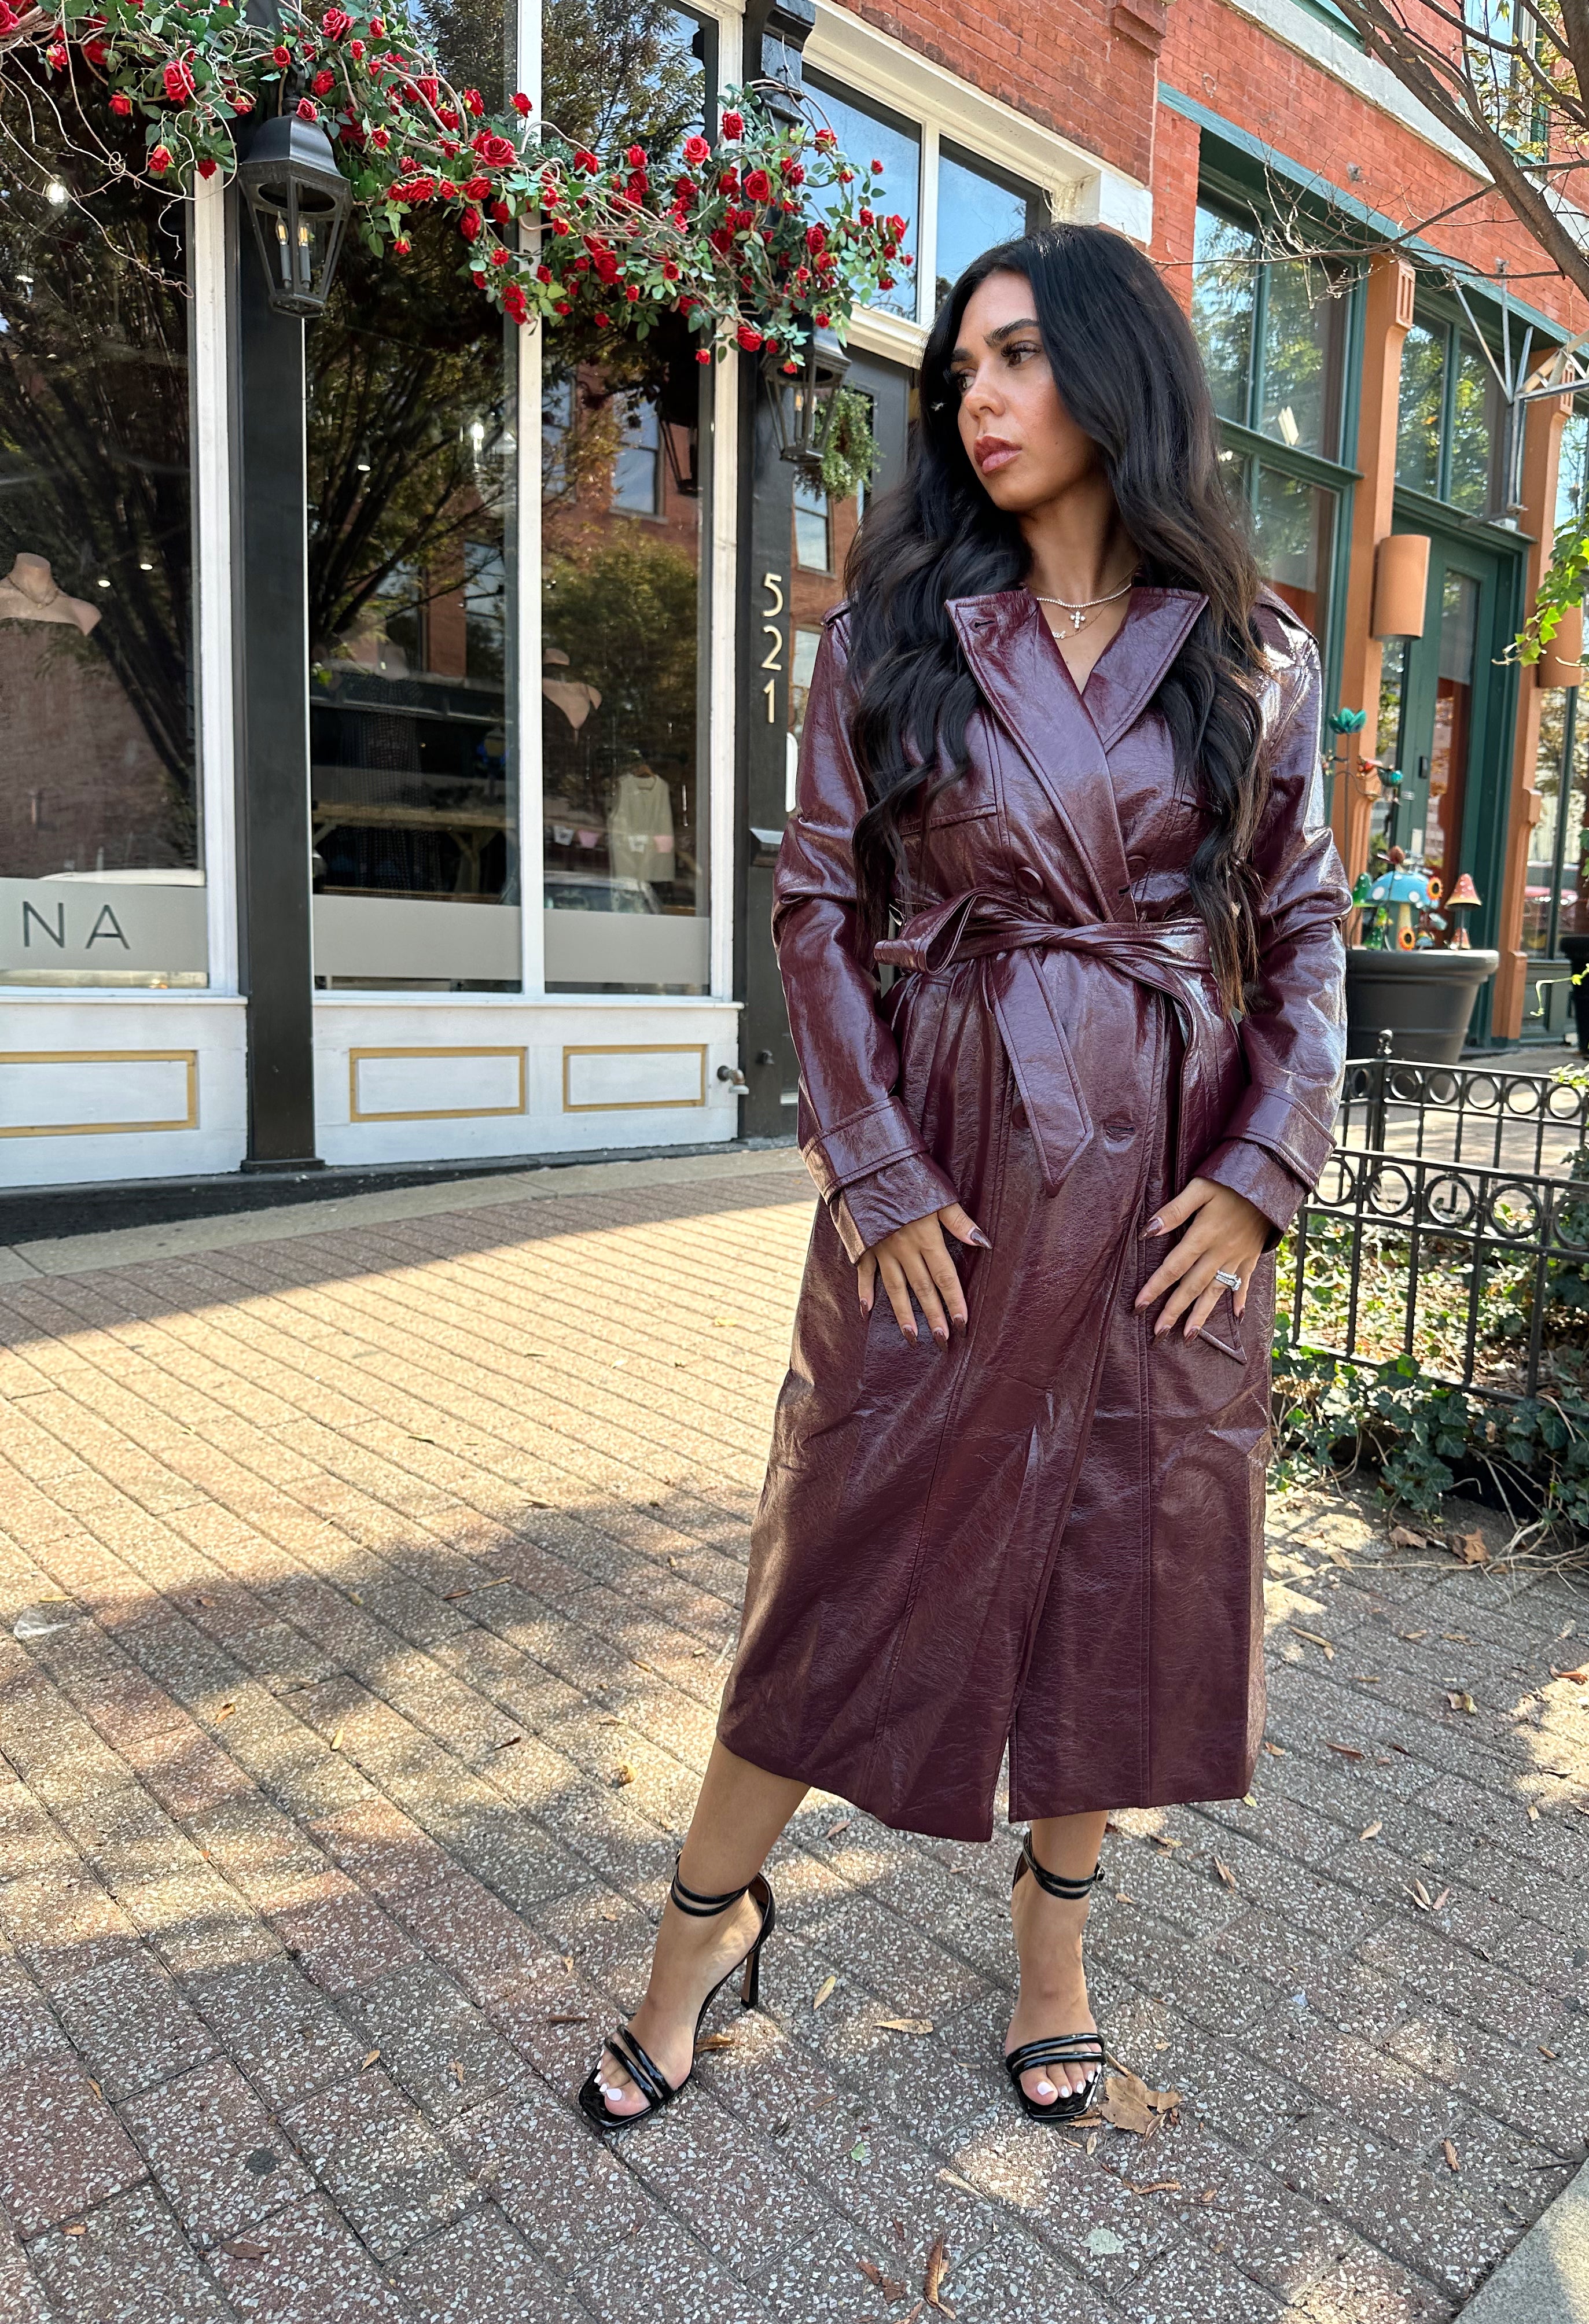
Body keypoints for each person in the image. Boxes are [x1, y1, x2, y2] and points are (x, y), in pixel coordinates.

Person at [578, 223, 1349, 2131]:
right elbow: (815, 908)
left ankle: (1055, 1945)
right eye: (961, 376)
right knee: (831, 1551)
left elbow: (1307, 929)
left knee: (1115, 1552)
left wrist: (1261, 1166)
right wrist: (878, 1177)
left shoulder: (1253, 655)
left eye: (1015, 360)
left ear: (1114, 373)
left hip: (1165, 1186)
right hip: (944, 1173)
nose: (977, 403)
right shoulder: (894, 632)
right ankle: (699, 1926)